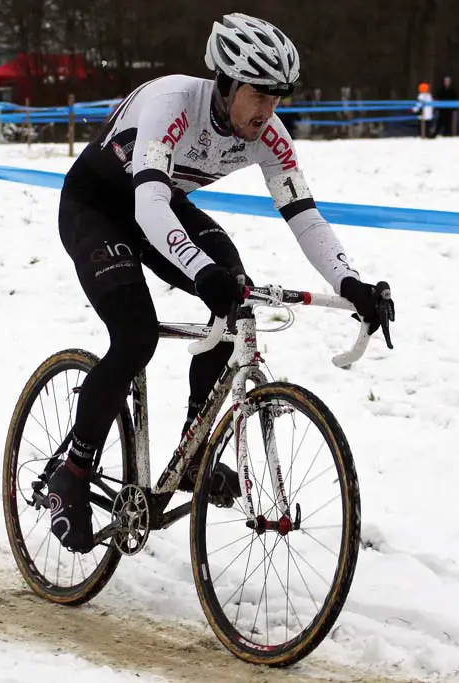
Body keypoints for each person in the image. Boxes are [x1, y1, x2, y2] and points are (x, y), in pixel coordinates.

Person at [47, 12, 391, 552]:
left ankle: (193, 452)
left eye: (278, 98)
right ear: (226, 83)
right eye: (259, 95)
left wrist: (352, 283)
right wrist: (199, 270)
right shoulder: (172, 103)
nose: (268, 112)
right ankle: (73, 468)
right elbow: (150, 202)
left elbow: (305, 216)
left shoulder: (269, 137)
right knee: (136, 335)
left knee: (235, 292)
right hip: (99, 205)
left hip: (159, 206)